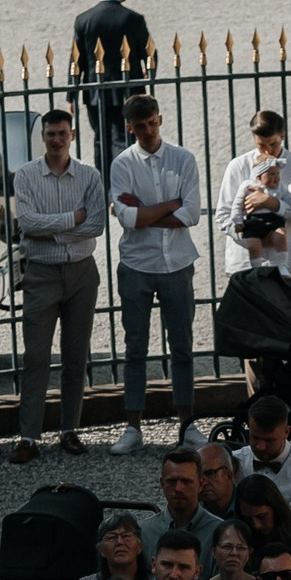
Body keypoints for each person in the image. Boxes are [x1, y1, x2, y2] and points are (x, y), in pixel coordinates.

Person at [108, 93, 204, 455]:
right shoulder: (122, 164)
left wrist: (146, 212)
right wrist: (170, 207)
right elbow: (127, 219)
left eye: (152, 123)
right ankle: (133, 427)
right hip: (137, 264)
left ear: (159, 120)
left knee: (182, 347)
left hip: (177, 263)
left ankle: (187, 425)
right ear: (131, 127)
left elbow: (192, 213)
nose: (148, 131)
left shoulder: (183, 158)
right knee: (135, 348)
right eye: (141, 126)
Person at [10, 107, 106, 462]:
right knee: (36, 355)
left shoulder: (89, 175)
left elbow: (96, 224)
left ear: (72, 136)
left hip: (81, 271)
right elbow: (29, 224)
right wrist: (71, 220)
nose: (56, 139)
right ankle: (28, 436)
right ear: (43, 137)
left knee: (75, 354)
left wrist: (56, 233)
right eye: (50, 134)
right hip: (41, 273)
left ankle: (70, 430)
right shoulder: (26, 176)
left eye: (62, 133)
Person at [216, 108, 291, 281]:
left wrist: (273, 203)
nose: (268, 151)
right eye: (261, 145)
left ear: (282, 136)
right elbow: (223, 216)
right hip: (245, 263)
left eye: (273, 144)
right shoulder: (238, 166)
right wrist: (253, 237)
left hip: (290, 263)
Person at [69, 0, 151, 168]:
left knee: (101, 141)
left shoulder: (84, 19)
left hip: (95, 91)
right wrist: (147, 75)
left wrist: (71, 94)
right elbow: (150, 53)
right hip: (129, 90)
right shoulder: (133, 19)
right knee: (127, 139)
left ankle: (104, 187)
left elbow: (75, 59)